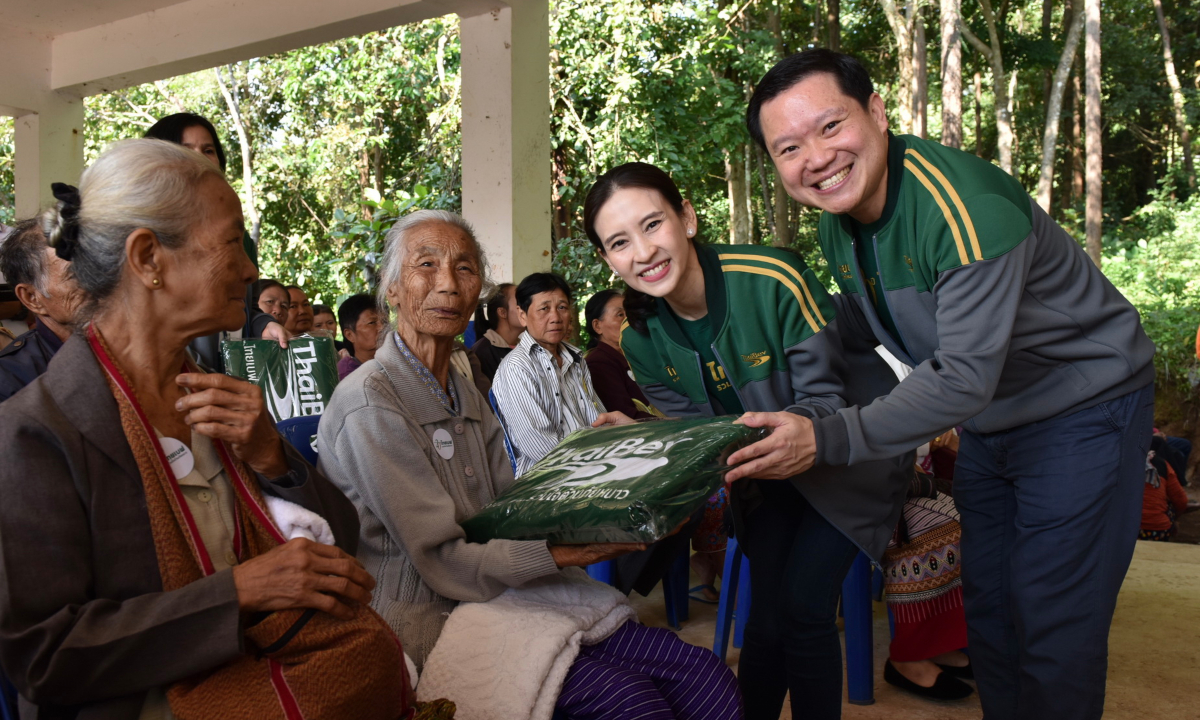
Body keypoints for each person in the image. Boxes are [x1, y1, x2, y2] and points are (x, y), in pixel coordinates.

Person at [746, 49, 1156, 720]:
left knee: (1053, 615)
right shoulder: (837, 220)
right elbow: (855, 326)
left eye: (830, 127)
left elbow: (963, 374)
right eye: (788, 147)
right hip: (994, 420)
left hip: (1085, 405)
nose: (815, 157)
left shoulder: (963, 205)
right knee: (990, 607)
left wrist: (826, 438)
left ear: (876, 113)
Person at [0, 139, 410, 718]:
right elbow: (44, 658)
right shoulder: (36, 433)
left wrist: (272, 455)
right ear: (148, 259)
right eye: (231, 243)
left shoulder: (217, 397)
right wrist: (240, 592)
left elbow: (339, 545)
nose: (249, 269)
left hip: (270, 677)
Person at [316, 209, 742, 719]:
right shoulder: (371, 404)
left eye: (466, 269)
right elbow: (442, 561)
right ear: (392, 289)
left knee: (705, 676)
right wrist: (566, 552)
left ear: (480, 292)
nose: (448, 285)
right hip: (430, 612)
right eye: (425, 265)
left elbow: (508, 507)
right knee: (629, 702)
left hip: (505, 588)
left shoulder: (463, 389)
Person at [583, 162, 910, 720]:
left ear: (686, 217)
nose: (643, 252)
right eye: (619, 242)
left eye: (653, 224)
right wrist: (649, 435)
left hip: (847, 457)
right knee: (765, 622)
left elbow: (823, 401)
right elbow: (705, 434)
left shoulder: (771, 276)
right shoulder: (641, 340)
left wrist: (723, 437)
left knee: (805, 610)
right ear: (608, 259)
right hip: (764, 471)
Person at [144, 113, 287, 365]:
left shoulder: (242, 241)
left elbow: (246, 306)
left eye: (208, 150)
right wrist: (201, 377)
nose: (199, 158)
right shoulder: (148, 236)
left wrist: (264, 325)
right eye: (185, 150)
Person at [491, 272, 606, 476]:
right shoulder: (517, 366)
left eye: (562, 307)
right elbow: (540, 448)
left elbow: (597, 419)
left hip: (592, 465)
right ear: (522, 315)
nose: (555, 317)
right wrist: (595, 468)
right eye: (544, 309)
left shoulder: (576, 360)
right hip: (547, 479)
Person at [0, 219, 82, 402]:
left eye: (101, 269)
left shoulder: (133, 348)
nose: (101, 284)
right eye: (76, 274)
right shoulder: (9, 382)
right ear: (31, 297)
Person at [582, 289, 654, 420]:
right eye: (620, 315)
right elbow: (625, 415)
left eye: (630, 314)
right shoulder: (598, 363)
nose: (628, 320)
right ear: (597, 326)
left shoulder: (637, 354)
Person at [1140, 436, 1193, 541]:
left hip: (1123, 530)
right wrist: (1174, 519)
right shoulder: (1163, 465)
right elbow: (1181, 501)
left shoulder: (1121, 462)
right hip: (1157, 530)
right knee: (1168, 504)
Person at [470, 282, 524, 381]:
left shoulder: (527, 347)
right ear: (502, 312)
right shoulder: (483, 352)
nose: (528, 307)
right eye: (520, 302)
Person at [337, 293, 382, 380]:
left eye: (385, 321)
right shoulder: (347, 374)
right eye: (372, 323)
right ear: (350, 335)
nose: (382, 327)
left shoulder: (393, 361)